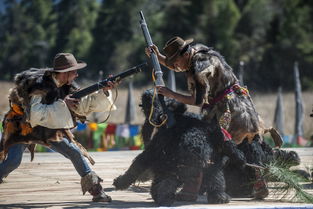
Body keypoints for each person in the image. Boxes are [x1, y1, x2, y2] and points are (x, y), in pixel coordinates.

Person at [145, 36, 268, 200]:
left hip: (230, 112)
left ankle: (193, 189)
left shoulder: (198, 67)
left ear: (185, 54)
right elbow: (179, 66)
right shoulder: (200, 53)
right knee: (242, 146)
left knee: (212, 147)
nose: (174, 65)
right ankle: (258, 182)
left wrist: (171, 94)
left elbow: (197, 100)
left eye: (175, 60)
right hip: (243, 107)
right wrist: (158, 56)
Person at [0, 53, 118, 202]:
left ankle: (96, 191)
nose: (76, 74)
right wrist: (64, 104)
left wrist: (105, 90)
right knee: (13, 162)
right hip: (24, 126)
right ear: (64, 73)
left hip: (48, 127)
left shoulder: (68, 86)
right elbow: (36, 114)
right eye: (74, 71)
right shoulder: (39, 85)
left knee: (74, 152)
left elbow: (82, 105)